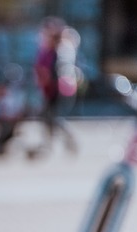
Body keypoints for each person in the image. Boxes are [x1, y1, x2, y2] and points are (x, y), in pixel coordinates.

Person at [32, 17, 78, 156]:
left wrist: (46, 77)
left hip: (57, 89)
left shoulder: (62, 49)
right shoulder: (46, 49)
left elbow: (59, 71)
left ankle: (65, 139)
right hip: (47, 89)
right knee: (46, 117)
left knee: (53, 117)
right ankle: (48, 144)